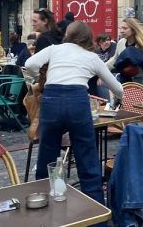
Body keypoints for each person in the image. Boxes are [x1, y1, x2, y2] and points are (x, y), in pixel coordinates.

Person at [25, 21, 123, 214]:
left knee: (47, 153)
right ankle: (96, 217)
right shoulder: (91, 57)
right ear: (88, 38)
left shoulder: (54, 49)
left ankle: (41, 209)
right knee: (87, 158)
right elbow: (118, 88)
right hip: (77, 101)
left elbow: (30, 64)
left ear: (68, 35)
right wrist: (118, 99)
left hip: (52, 101)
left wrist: (40, 77)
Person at [106, 11, 143, 125]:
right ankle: (133, 135)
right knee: (126, 111)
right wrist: (101, 69)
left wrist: (137, 61)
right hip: (125, 80)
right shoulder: (121, 43)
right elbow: (115, 60)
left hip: (142, 80)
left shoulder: (142, 44)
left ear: (133, 30)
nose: (121, 30)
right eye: (120, 28)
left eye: (125, 28)